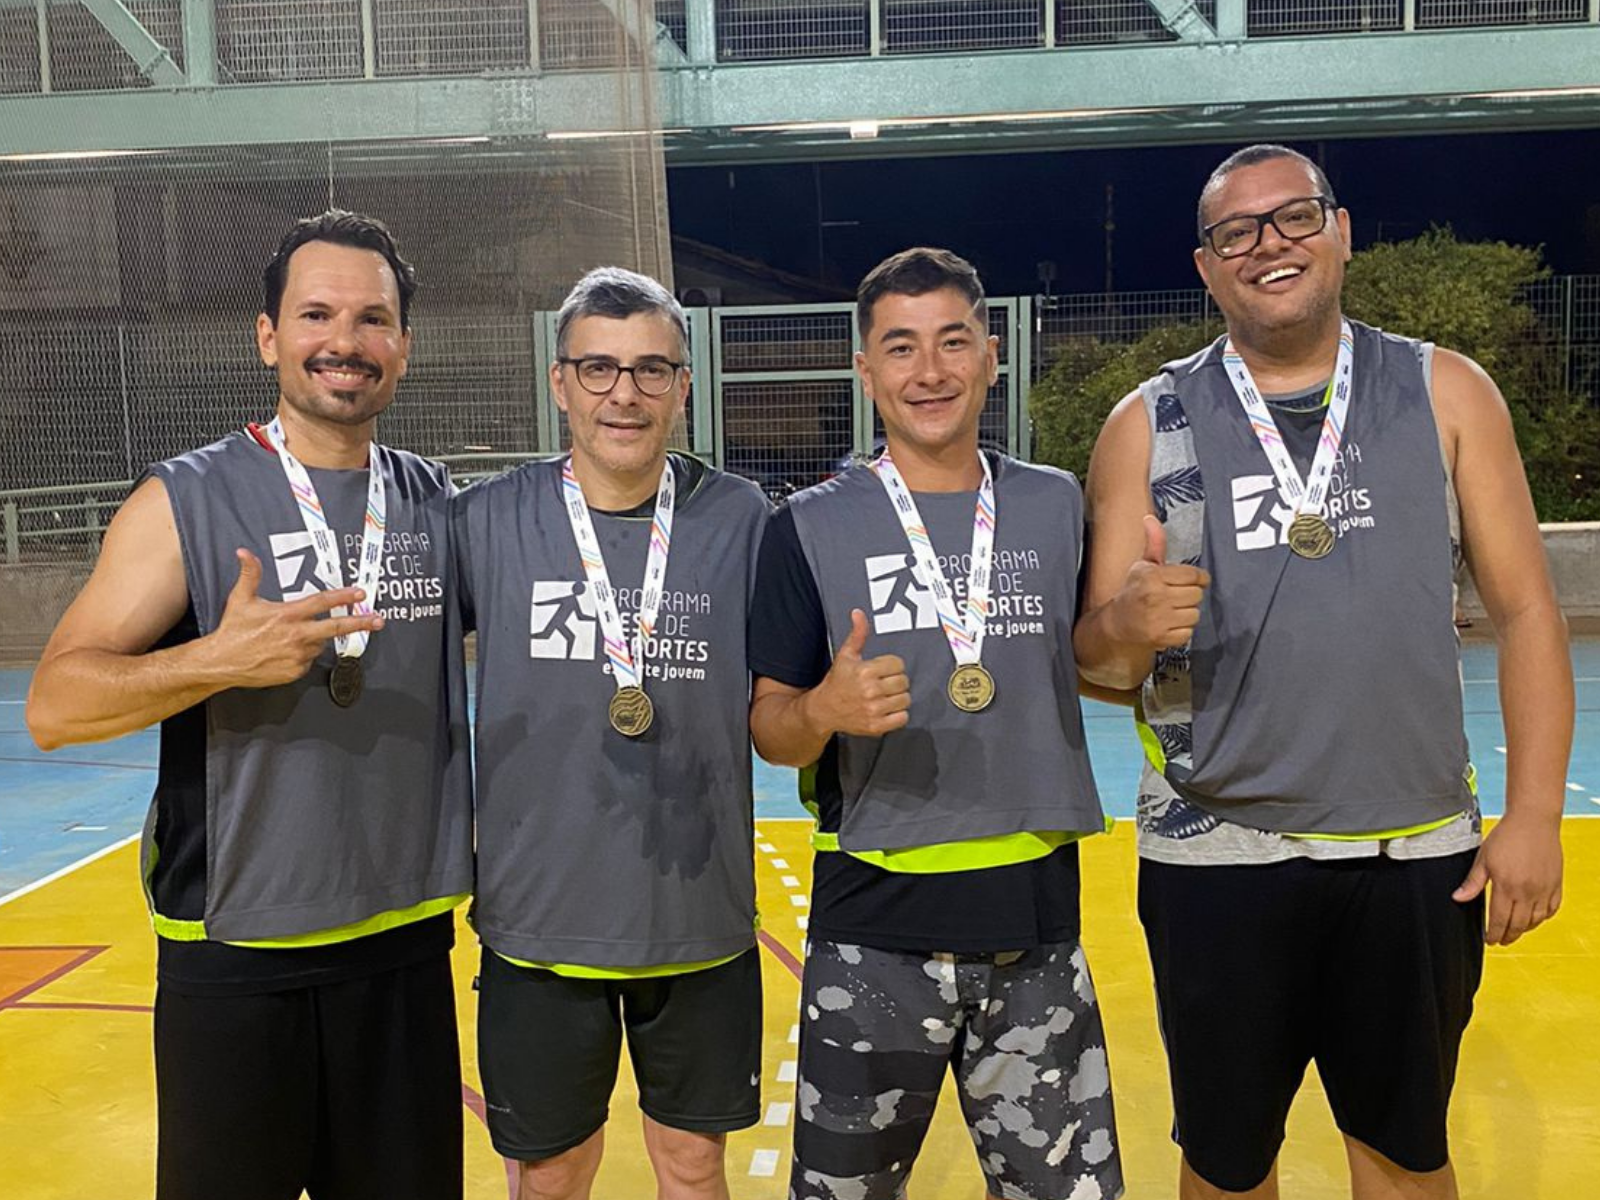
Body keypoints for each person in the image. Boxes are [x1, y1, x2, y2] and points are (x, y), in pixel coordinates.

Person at [1074, 144, 1571, 1200]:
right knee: (1225, 1161)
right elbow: (1100, 666)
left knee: (1402, 1156)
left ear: (1340, 232)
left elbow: (1527, 612)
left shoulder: (1442, 390)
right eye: (1236, 232)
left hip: (1411, 852)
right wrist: (1123, 621)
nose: (1269, 245)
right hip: (1216, 859)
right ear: (1206, 268)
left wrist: (1534, 815)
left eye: (1293, 217)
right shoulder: (1145, 424)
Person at [25, 210, 473, 1200]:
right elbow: (55, 704)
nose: (345, 341)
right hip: (236, 954)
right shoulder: (185, 499)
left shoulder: (437, 505)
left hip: (401, 954)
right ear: (268, 336)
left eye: (373, 318)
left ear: (402, 343)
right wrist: (216, 661)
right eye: (316, 314)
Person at [749, 247, 1123, 1200]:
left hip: (1034, 924)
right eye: (901, 348)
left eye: (953, 342)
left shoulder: (1054, 503)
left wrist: (1138, 623)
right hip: (872, 930)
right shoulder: (808, 524)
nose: (931, 371)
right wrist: (825, 710)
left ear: (991, 356)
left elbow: (1098, 662)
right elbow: (770, 727)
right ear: (866, 371)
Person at [454, 267, 769, 1200]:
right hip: (538, 924)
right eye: (597, 368)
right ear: (560, 383)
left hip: (698, 923)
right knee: (549, 1173)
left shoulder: (744, 521)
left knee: (691, 1164)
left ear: (682, 384)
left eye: (649, 370)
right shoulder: (485, 521)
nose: (622, 393)